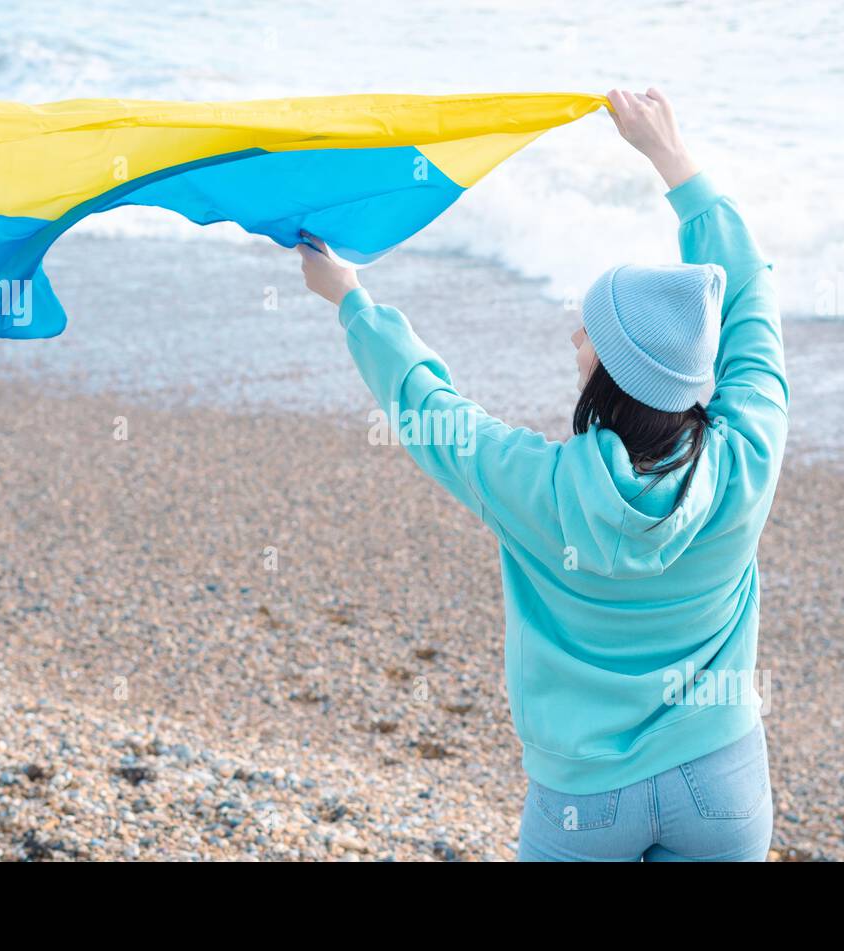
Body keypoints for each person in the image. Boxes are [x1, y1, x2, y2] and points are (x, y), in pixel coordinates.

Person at [297, 87, 787, 862]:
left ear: (614, 371)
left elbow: (433, 412)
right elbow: (751, 295)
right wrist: (673, 158)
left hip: (585, 799)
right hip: (720, 784)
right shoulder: (747, 456)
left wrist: (353, 302)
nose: (573, 337)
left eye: (589, 334)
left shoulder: (539, 489)